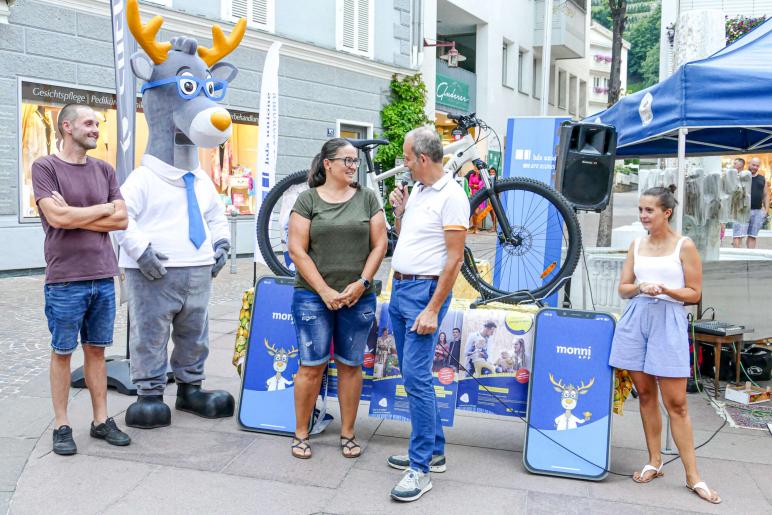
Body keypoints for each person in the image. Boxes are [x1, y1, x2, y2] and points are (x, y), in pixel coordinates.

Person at [609, 186, 721, 505]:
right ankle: (654, 461)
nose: (643, 215)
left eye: (649, 210)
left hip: (669, 320)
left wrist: (668, 291)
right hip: (636, 319)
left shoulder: (684, 246)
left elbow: (695, 293)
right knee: (645, 394)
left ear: (666, 212)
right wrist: (641, 286)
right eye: (641, 210)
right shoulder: (636, 244)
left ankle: (692, 476)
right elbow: (623, 288)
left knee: (677, 403)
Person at [31, 103, 131, 455]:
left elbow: (122, 221)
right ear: (66, 127)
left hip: (104, 275)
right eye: (89, 123)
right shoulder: (45, 167)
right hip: (65, 279)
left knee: (97, 351)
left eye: (97, 124)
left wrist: (76, 215)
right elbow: (56, 218)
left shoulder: (104, 169)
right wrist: (100, 209)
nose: (95, 129)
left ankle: (101, 420)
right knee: (62, 353)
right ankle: (62, 425)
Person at [287, 138, 388, 460]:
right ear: (327, 164)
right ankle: (301, 433)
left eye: (355, 161)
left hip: (358, 297)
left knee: (350, 365)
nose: (352, 165)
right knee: (310, 366)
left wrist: (361, 283)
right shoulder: (307, 200)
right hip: (312, 297)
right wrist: (325, 291)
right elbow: (296, 249)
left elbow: (380, 244)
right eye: (346, 160)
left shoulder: (368, 198)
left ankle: (348, 433)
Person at [385, 126, 469, 502]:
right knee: (412, 374)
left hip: (424, 294)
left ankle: (419, 469)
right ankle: (433, 451)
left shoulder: (452, 195)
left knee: (417, 380)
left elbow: (455, 258)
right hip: (402, 288)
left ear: (421, 158)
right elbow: (406, 237)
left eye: (406, 158)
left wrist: (434, 308)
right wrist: (400, 213)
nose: (403, 164)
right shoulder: (419, 190)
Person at [732, 157, 768, 249]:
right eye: (753, 165)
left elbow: (765, 195)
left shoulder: (762, 178)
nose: (755, 167)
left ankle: (750, 260)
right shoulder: (740, 176)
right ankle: (737, 259)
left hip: (757, 211)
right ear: (749, 164)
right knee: (738, 235)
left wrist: (766, 210)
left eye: (757, 166)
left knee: (752, 236)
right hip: (742, 210)